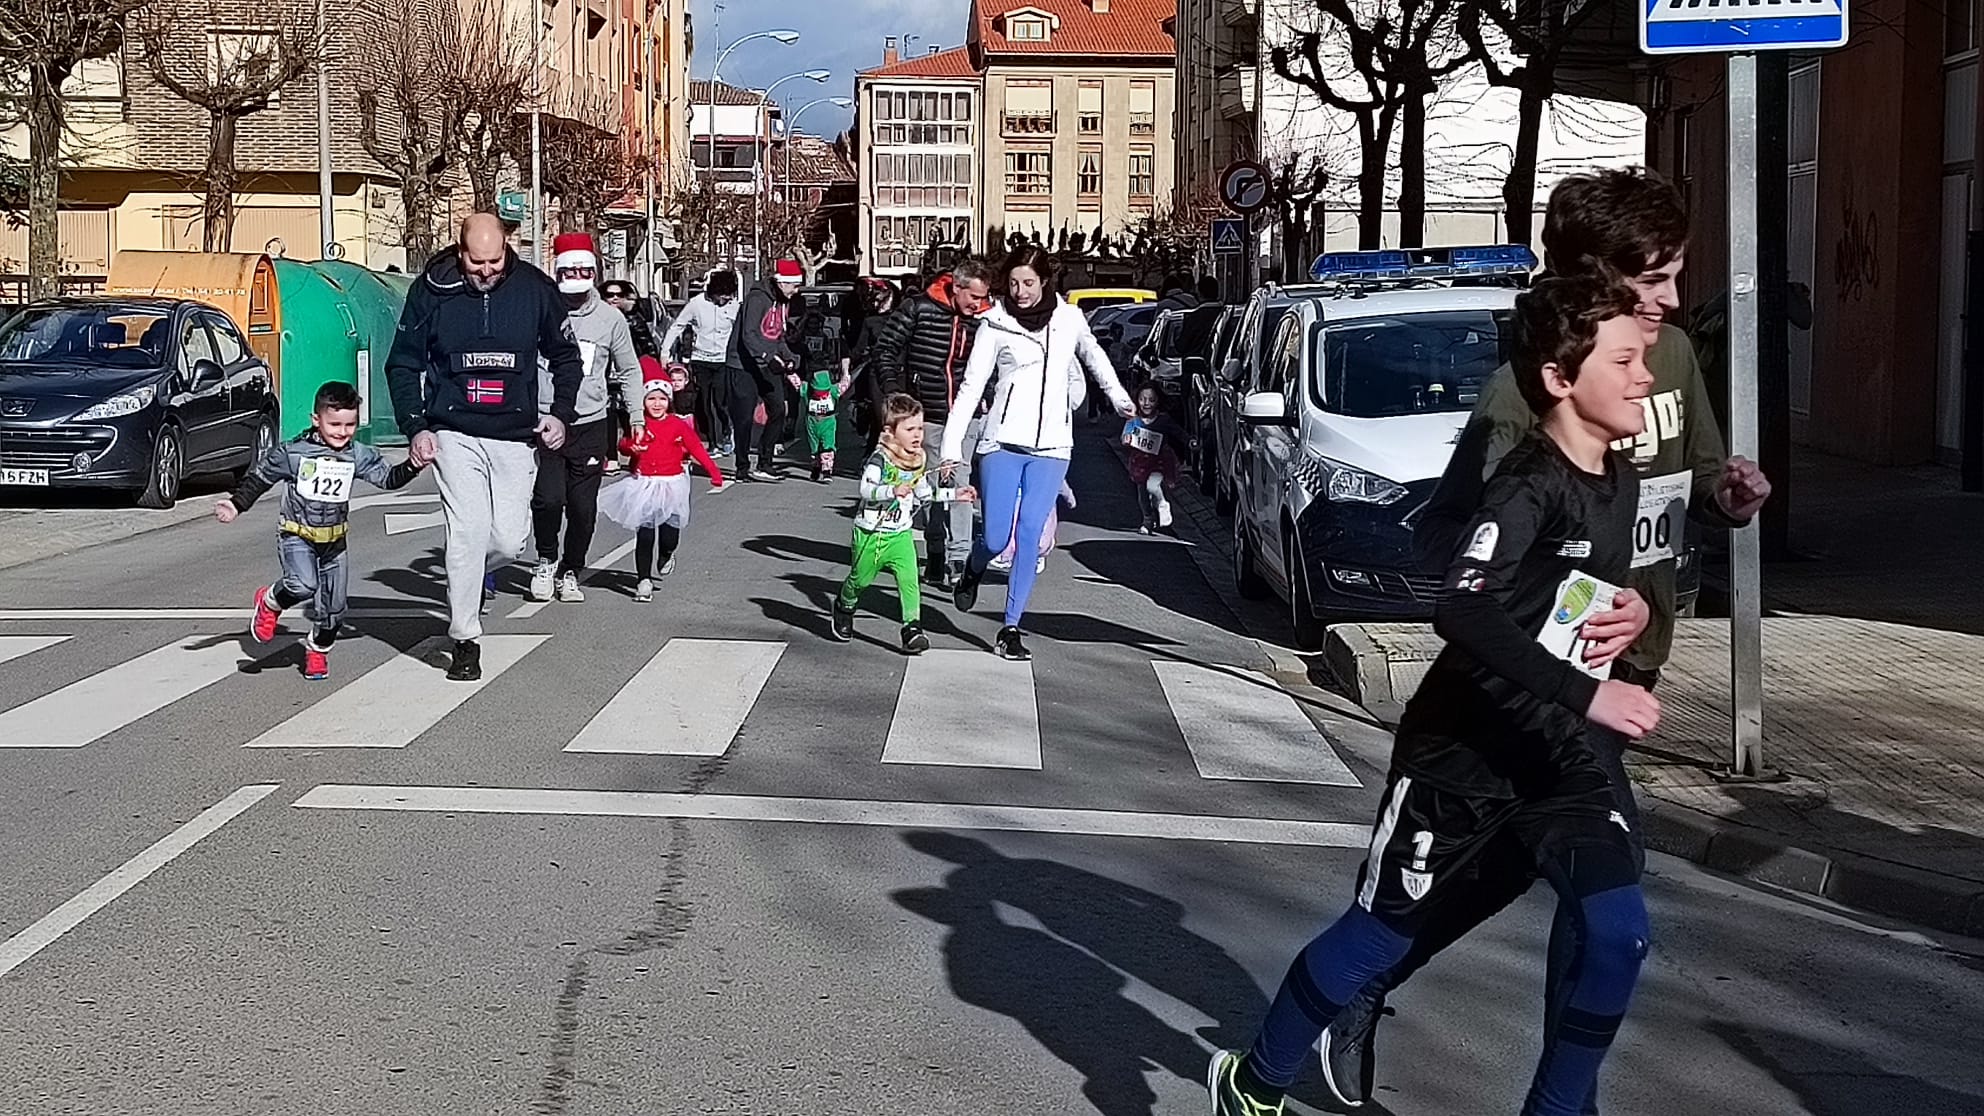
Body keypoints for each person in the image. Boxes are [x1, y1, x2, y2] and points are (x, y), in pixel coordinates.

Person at [1320, 168, 1776, 1112]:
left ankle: (1501, 1057)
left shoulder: (1675, 359)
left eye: (1677, 275)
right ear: (1593, 281)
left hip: (1626, 668)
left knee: (1560, 876)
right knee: (1588, 889)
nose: (1671, 300)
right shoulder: (1517, 396)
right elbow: (1473, 556)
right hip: (1529, 685)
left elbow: (1680, 487)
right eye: (1652, 279)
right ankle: (1384, 997)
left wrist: (1728, 502)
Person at [1208, 275, 1662, 1116]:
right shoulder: (1527, 486)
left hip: (1559, 758)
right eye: (1627, 360)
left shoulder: (1619, 477)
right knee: (1380, 934)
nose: (1644, 378)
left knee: (1619, 932)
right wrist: (1587, 695)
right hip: (1462, 757)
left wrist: (1631, 609)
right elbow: (1461, 606)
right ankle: (1255, 1081)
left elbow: (1579, 594)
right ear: (1561, 381)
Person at [385, 212, 583, 682]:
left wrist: (560, 415)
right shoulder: (432, 289)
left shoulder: (535, 290)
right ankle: (465, 639)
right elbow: (402, 363)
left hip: (515, 433)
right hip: (453, 429)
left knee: (509, 542)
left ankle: (469, 573)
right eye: (477, 263)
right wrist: (416, 427)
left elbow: (566, 356)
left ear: (506, 250)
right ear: (460, 253)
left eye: (495, 261)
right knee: (468, 532)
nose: (487, 271)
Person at [944, 245, 1134, 662]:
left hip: (1052, 447)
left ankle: (1011, 627)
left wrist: (1119, 398)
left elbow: (1094, 357)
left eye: (1028, 282)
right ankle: (974, 568)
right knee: (995, 537)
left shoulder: (1069, 319)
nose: (1020, 291)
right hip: (1002, 443)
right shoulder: (995, 324)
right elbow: (972, 386)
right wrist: (950, 448)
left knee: (1030, 534)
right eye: (1013, 283)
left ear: (1045, 281)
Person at [216, 381, 426, 680]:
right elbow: (261, 478)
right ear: (317, 420)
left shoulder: (358, 454)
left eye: (350, 425)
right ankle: (270, 601)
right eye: (335, 424)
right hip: (297, 534)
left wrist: (413, 465)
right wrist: (236, 505)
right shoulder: (294, 453)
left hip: (335, 541)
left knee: (335, 610)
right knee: (302, 584)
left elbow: (388, 479)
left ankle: (316, 650)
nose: (342, 432)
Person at [527, 233, 641, 604]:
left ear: (593, 271)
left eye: (583, 269)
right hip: (545, 421)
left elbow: (629, 370)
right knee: (547, 499)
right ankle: (545, 560)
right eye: (569, 270)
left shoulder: (610, 320)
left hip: (591, 422)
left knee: (583, 508)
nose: (576, 277)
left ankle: (571, 569)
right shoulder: (539, 310)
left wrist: (636, 415)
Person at [870, 259, 996, 590]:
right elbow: (884, 349)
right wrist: (896, 395)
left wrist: (991, 391)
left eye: (984, 297)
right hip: (926, 415)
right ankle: (937, 548)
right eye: (974, 297)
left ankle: (959, 560)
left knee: (960, 482)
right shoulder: (918, 308)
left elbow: (997, 358)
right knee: (933, 490)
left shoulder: (984, 318)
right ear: (957, 288)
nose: (978, 304)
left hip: (966, 415)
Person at [831, 393, 970, 655]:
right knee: (859, 580)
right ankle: (844, 605)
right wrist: (891, 491)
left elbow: (925, 494)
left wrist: (956, 495)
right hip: (871, 534)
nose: (917, 434)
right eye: (909, 429)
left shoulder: (917, 461)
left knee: (909, 582)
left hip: (900, 536)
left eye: (920, 427)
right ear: (890, 431)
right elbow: (865, 489)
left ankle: (912, 629)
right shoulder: (880, 460)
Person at [600, 377, 725, 602]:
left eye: (661, 399)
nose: (656, 404)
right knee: (645, 534)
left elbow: (696, 447)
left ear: (669, 401)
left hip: (671, 484)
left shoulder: (677, 424)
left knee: (669, 536)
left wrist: (714, 472)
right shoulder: (639, 423)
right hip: (644, 483)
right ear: (643, 401)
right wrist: (632, 447)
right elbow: (624, 445)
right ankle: (643, 580)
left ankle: (666, 554)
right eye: (651, 399)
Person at [726, 259, 805, 481]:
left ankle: (765, 461)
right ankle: (742, 467)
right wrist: (767, 357)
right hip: (743, 365)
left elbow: (777, 334)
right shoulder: (757, 299)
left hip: (768, 365)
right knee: (744, 418)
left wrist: (789, 357)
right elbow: (749, 334)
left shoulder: (783, 303)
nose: (796, 291)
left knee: (778, 409)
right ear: (781, 283)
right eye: (794, 286)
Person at [661, 269, 742, 454]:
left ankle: (726, 431)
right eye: (721, 296)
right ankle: (712, 442)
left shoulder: (734, 306)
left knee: (721, 402)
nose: (724, 301)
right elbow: (678, 326)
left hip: (723, 360)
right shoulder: (696, 304)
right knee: (704, 403)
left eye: (728, 297)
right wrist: (665, 352)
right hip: (701, 359)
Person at [1122, 383, 1190, 534]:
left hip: (1159, 461)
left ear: (1158, 401)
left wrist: (1189, 441)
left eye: (1151, 400)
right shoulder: (1134, 420)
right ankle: (1147, 520)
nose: (1146, 403)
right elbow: (1126, 435)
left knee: (1152, 486)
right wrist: (1126, 438)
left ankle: (1162, 503)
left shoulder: (1163, 420)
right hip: (1140, 463)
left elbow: (1177, 432)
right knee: (1142, 494)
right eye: (1142, 399)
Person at [844, 280, 900, 460]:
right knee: (880, 416)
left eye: (880, 301)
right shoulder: (870, 321)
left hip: (900, 371)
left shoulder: (901, 319)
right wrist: (847, 360)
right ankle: (877, 454)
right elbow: (859, 348)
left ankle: (891, 454)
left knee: (897, 416)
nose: (877, 305)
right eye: (874, 301)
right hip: (876, 371)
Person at [992, 479, 1073, 576]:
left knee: (1039, 535)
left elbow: (1058, 479)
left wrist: (1068, 496)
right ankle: (1017, 559)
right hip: (1022, 499)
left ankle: (1033, 557)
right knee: (1016, 534)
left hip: (1039, 502)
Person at [802, 366, 847, 482]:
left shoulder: (833, 390)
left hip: (828, 422)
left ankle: (827, 471)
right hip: (812, 422)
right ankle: (816, 467)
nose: (821, 394)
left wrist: (846, 371)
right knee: (814, 448)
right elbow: (797, 383)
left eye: (823, 392)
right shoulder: (807, 390)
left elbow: (845, 384)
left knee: (828, 446)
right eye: (818, 392)